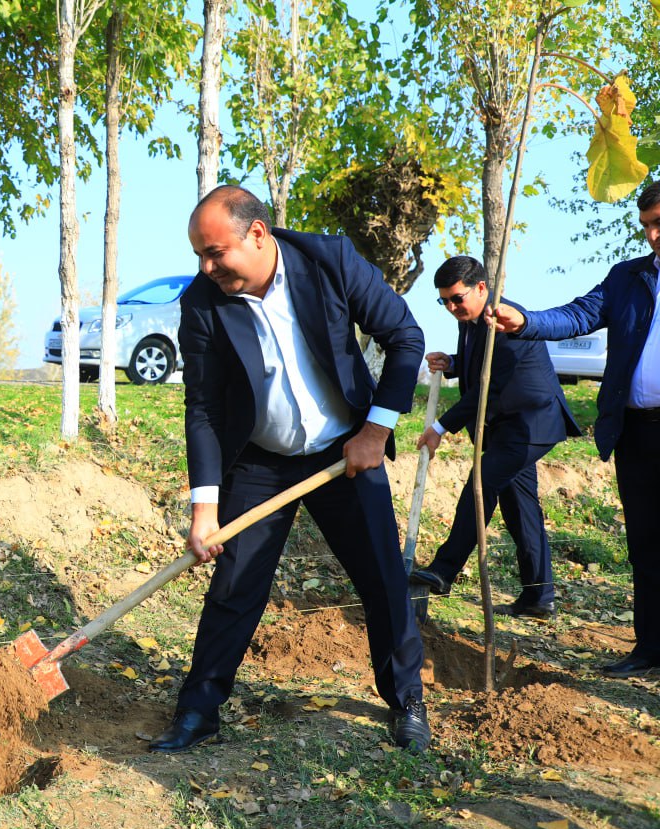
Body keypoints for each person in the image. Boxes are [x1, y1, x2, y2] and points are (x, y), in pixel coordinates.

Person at [150, 186, 429, 755]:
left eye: (214, 252)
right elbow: (202, 407)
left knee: (383, 577)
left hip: (345, 452)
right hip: (258, 459)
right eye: (199, 256)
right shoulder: (203, 301)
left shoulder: (330, 261)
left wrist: (375, 431)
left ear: (257, 234)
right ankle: (198, 711)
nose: (206, 267)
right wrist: (205, 507)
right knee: (235, 585)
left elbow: (405, 337)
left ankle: (407, 703)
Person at [490, 181, 660, 678]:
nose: (653, 234)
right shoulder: (627, 278)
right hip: (638, 433)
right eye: (647, 225)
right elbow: (581, 313)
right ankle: (650, 647)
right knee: (646, 544)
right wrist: (526, 321)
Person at [410, 256, 579, 618]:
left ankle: (443, 571)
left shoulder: (504, 320)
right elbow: (479, 363)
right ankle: (539, 596)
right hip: (507, 427)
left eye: (457, 298)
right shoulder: (471, 320)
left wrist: (439, 428)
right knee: (520, 509)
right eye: (445, 301)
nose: (452, 307)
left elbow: (490, 382)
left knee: (482, 483)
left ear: (482, 288)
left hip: (531, 422)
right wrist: (454, 363)